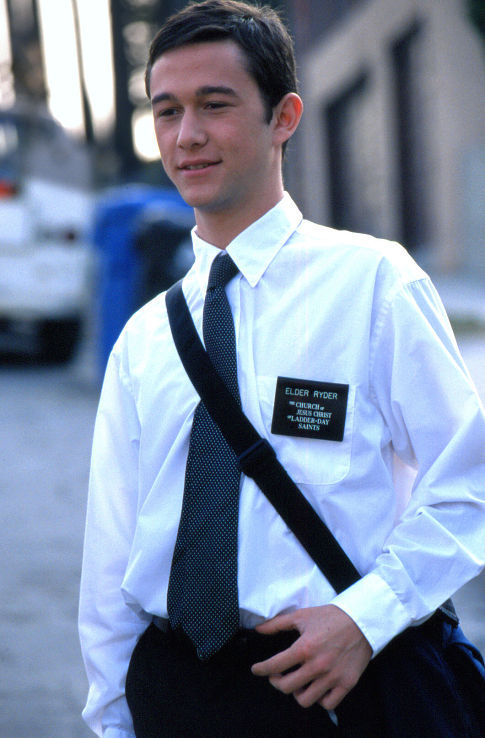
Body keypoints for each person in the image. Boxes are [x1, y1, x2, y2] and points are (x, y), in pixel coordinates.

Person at [79, 1, 485, 736]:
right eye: (167, 111)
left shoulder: (372, 283)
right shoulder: (144, 339)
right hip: (179, 693)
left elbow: (469, 479)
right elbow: (111, 559)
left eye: (215, 104)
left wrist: (367, 618)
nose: (187, 134)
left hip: (337, 684)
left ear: (284, 117)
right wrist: (113, 720)